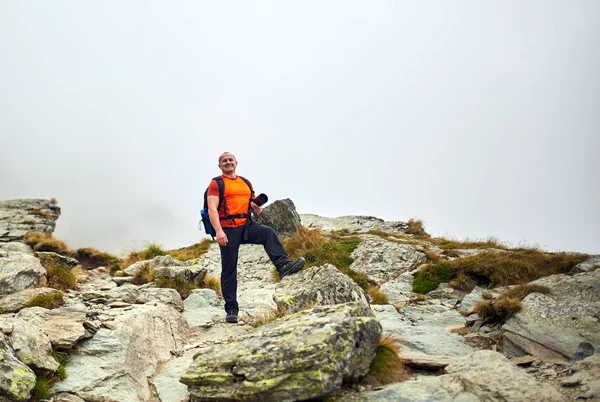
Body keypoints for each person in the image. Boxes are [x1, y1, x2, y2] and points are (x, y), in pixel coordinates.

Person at [207, 152, 305, 323]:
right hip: (228, 229)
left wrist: (256, 208)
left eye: (230, 160)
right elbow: (212, 209)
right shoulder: (216, 183)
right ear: (220, 166)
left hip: (246, 225)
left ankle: (284, 266)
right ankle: (231, 310)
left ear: (236, 163)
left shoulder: (245, 182)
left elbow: (251, 205)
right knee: (229, 269)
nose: (228, 162)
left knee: (268, 232)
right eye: (224, 161)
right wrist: (219, 231)